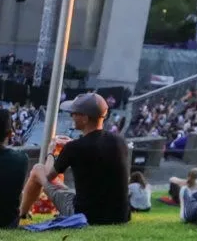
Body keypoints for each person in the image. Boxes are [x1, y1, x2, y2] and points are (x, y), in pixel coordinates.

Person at [17, 94, 129, 225]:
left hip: (87, 216)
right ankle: (22, 214)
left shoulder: (74, 147)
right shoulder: (120, 141)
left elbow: (48, 176)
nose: (71, 116)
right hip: (120, 216)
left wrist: (51, 153)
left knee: (38, 169)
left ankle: (21, 214)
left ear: (85, 118)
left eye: (74, 113)